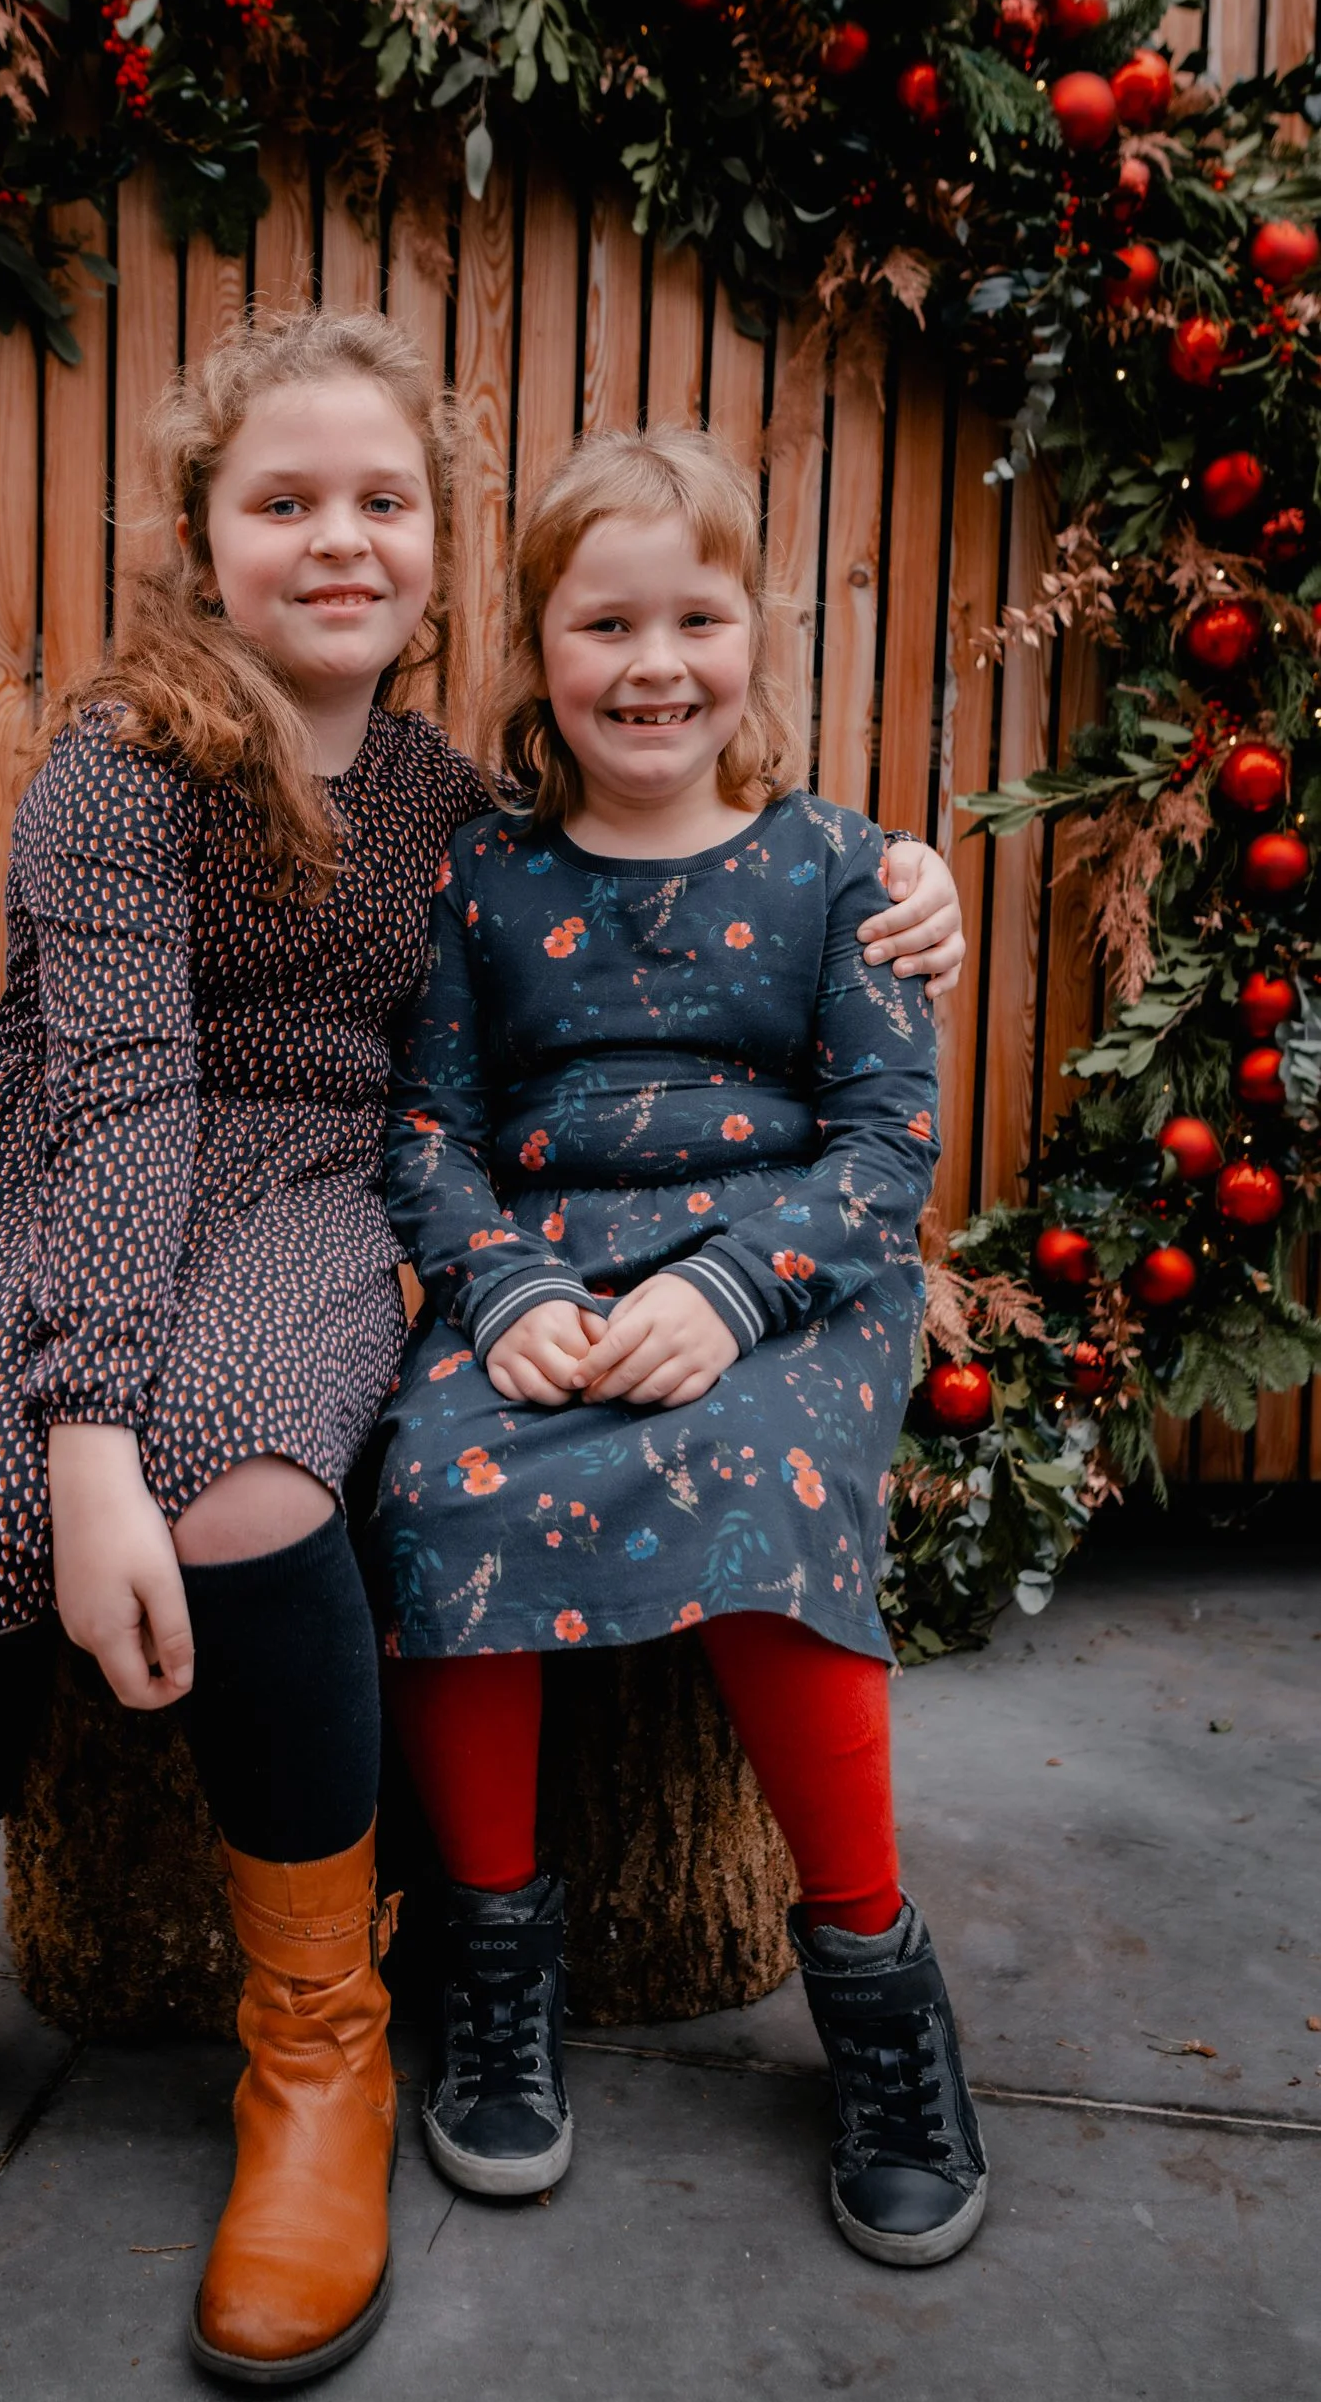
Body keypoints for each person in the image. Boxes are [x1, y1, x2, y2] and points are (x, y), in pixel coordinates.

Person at [0, 311, 969, 2377]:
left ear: (441, 551)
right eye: (285, 503)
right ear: (203, 538)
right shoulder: (120, 769)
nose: (337, 540)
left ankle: (320, 2050)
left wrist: (906, 877)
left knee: (261, 1484)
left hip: (306, 1187)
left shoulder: (456, 800)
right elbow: (116, 1097)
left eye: (381, 502)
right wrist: (84, 1424)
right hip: (72, 1161)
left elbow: (673, 818)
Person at [370, 424, 987, 2271]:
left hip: (786, 1277)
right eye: (603, 623)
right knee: (425, 1482)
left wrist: (726, 1291)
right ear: (540, 657)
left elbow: (887, 1151)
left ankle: (878, 1998)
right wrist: (498, 1292)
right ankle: (492, 1960)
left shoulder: (844, 874)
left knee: (752, 1480)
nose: (653, 665)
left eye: (693, 618)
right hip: (544, 1275)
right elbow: (423, 1132)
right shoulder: (480, 885)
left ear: (751, 637)